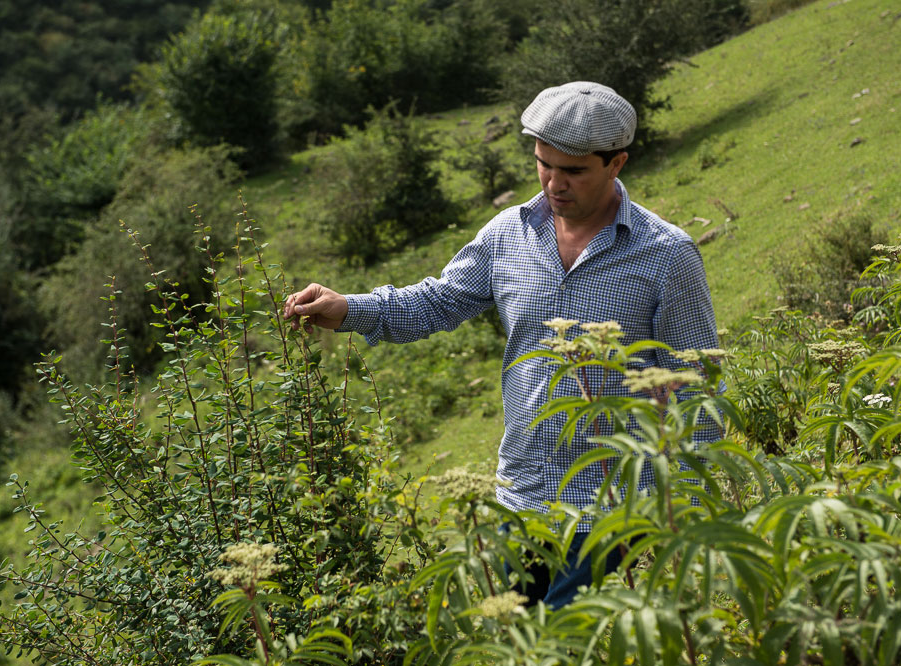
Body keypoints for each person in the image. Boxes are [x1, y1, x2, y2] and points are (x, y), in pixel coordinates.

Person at [283, 81, 720, 608]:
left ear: (617, 163)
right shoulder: (508, 234)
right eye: (543, 164)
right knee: (518, 637)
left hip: (613, 507)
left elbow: (696, 385)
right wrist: (350, 309)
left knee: (562, 637)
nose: (554, 183)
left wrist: (682, 507)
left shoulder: (666, 254)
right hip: (522, 499)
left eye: (573, 171)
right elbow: (439, 301)